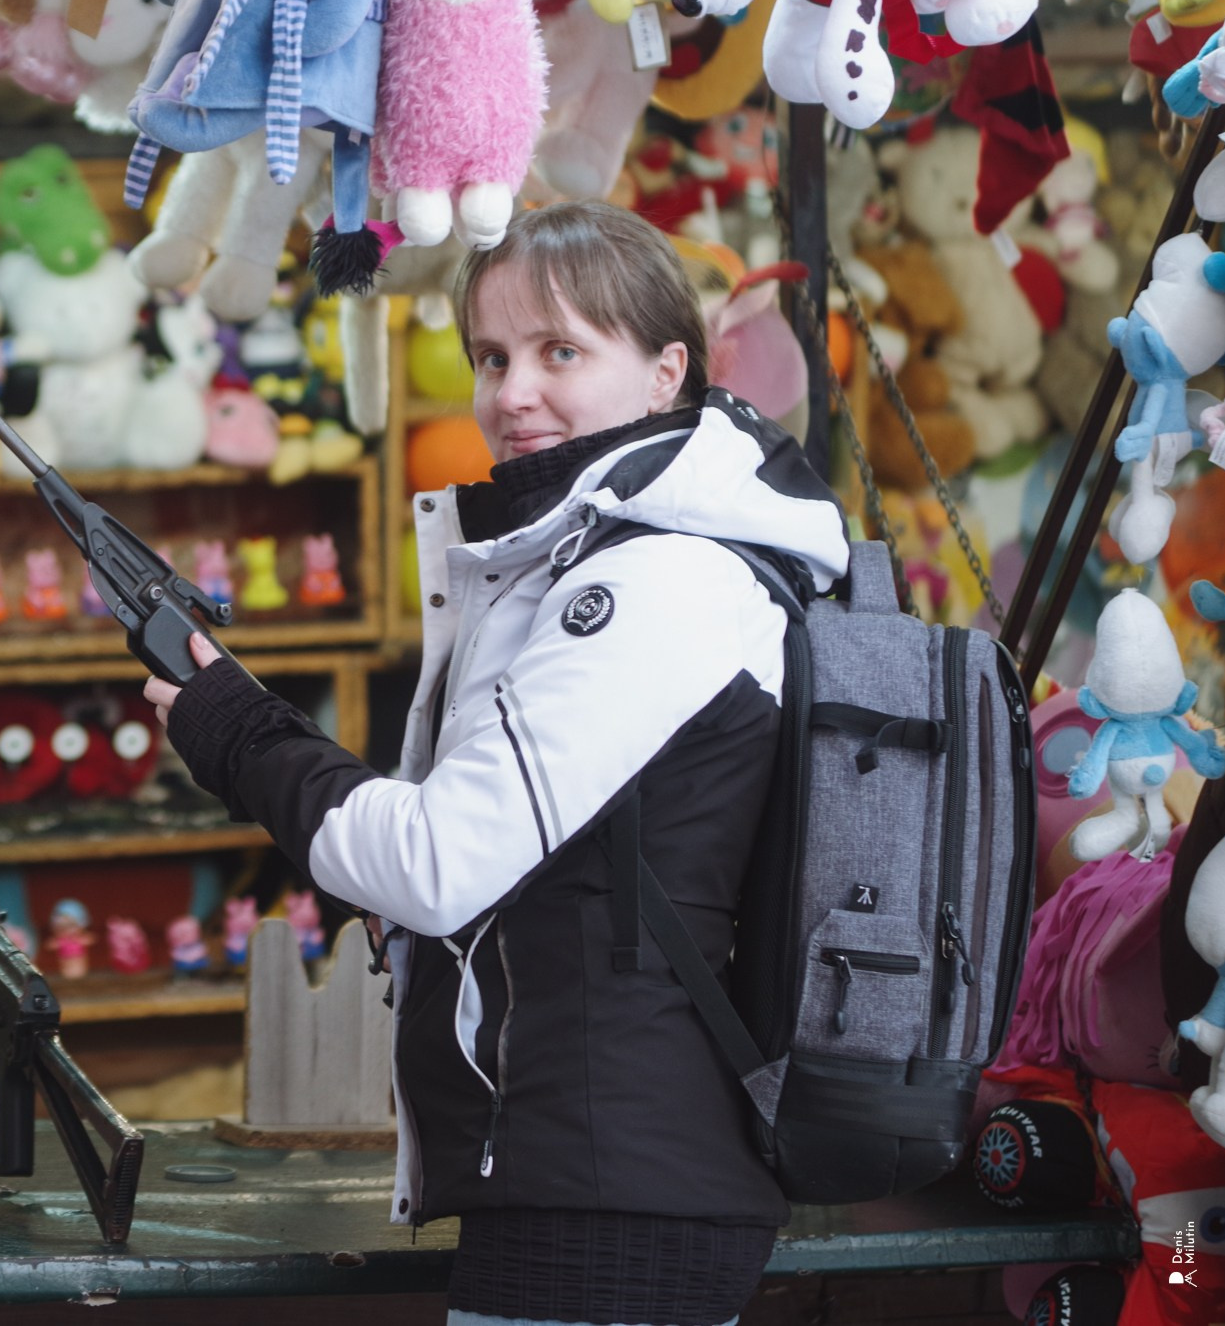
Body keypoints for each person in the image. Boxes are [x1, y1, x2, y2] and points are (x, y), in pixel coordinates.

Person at [148, 201, 849, 1326]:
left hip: (612, 1196)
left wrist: (236, 729)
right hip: (597, 1173)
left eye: (559, 351)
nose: (512, 391)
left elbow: (436, 861)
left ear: (668, 371)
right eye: (491, 355)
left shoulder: (659, 581)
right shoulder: (597, 561)